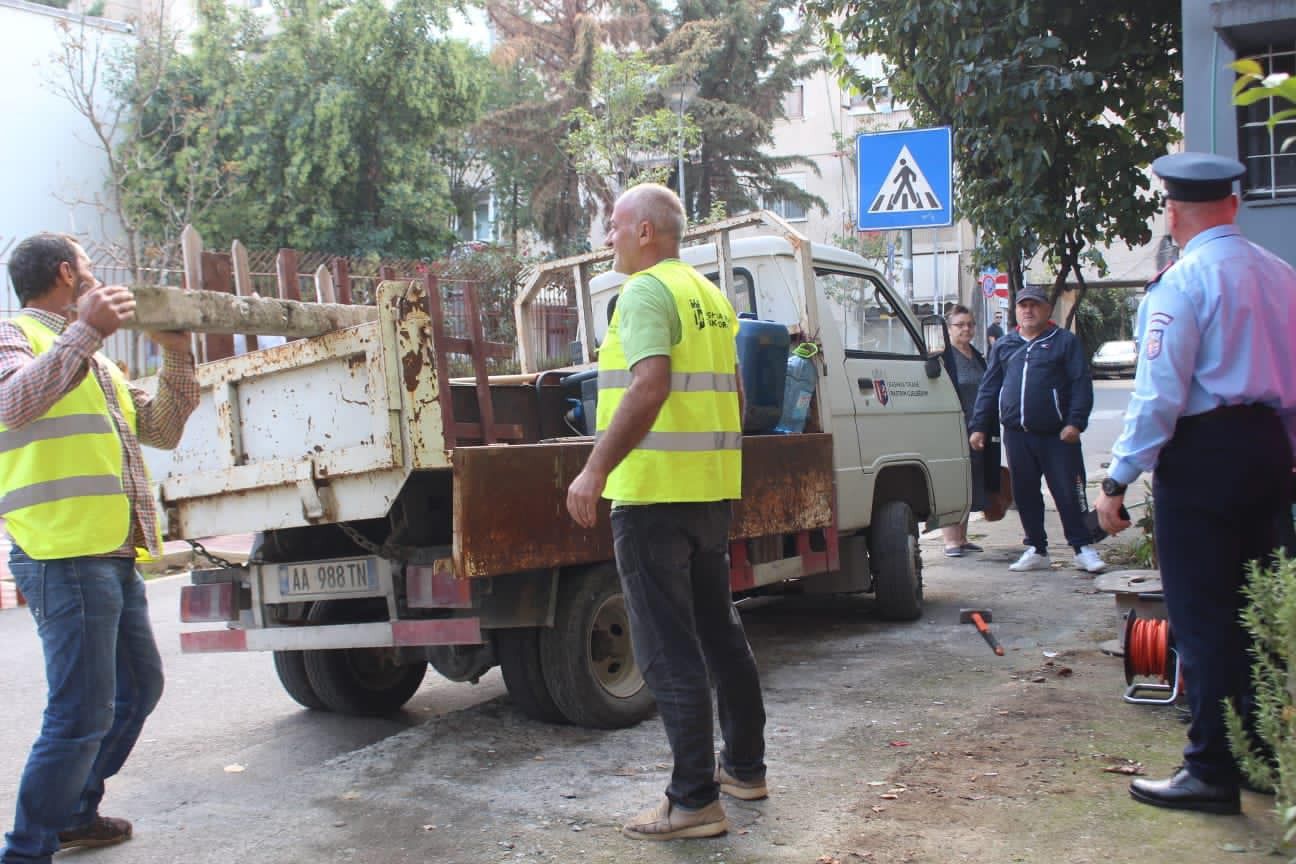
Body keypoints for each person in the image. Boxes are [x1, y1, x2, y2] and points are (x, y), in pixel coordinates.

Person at [1096, 152, 1296, 815]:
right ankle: (1262, 753)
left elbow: (1158, 399)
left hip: (1203, 455)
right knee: (1256, 607)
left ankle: (1210, 769)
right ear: (1234, 205)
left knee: (1204, 615)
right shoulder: (1282, 277)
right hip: (1268, 449)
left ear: (1174, 213)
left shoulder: (1181, 285)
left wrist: (1117, 478)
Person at [566, 184, 766, 841]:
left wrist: (594, 470)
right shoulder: (711, 297)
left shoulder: (646, 292)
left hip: (652, 494)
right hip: (710, 490)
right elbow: (736, 398)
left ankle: (692, 802)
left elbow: (649, 385)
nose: (608, 238)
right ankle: (744, 768)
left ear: (646, 231)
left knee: (666, 647)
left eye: (616, 226)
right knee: (717, 630)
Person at [0, 233, 200, 863]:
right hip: (59, 552)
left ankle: (73, 815)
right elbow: (12, 402)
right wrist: (84, 332)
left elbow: (163, 428)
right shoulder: (15, 336)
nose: (96, 277)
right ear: (67, 274)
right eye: (88, 267)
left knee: (138, 689)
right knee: (79, 712)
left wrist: (177, 357)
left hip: (110, 551)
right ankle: (26, 849)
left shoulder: (101, 365)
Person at [969, 284, 1105, 574]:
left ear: (1046, 309)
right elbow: (989, 387)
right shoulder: (1005, 345)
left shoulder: (1064, 342)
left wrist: (1075, 422)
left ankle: (1083, 547)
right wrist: (979, 426)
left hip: (1058, 435)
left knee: (1069, 491)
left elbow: (1081, 384)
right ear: (1016, 311)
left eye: (1034, 305)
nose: (1028, 310)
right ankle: (1036, 549)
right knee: (1026, 492)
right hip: (1017, 435)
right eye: (1023, 306)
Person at [940, 305, 1000, 557]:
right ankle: (951, 541)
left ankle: (962, 538)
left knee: (972, 481)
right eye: (960, 324)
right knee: (954, 481)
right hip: (954, 427)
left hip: (979, 428)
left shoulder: (976, 355)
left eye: (970, 324)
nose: (966, 329)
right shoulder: (943, 357)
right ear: (949, 328)